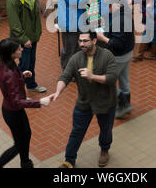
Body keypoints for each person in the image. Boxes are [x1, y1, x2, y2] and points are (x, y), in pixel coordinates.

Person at [48, 32, 117, 168]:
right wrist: (58, 91)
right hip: (85, 101)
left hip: (105, 101)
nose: (81, 44)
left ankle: (104, 150)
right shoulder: (76, 58)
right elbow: (65, 76)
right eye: (80, 41)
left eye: (85, 41)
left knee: (105, 129)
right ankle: (69, 160)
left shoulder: (107, 55)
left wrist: (92, 76)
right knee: (77, 131)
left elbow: (112, 77)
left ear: (94, 41)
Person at [0, 38, 51, 168]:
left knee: (26, 135)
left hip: (10, 109)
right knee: (19, 144)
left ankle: (25, 162)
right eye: (19, 49)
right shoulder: (9, 73)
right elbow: (17, 102)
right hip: (13, 112)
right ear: (11, 53)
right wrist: (40, 102)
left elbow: (9, 84)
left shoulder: (3, 63)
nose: (22, 49)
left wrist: (22, 76)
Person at [6, 0, 47, 94]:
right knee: (23, 65)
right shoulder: (13, 0)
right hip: (22, 40)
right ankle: (15, 89)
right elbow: (14, 24)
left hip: (33, 37)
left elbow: (35, 16)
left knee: (31, 62)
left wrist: (37, 33)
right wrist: (24, 40)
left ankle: (31, 85)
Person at [97, 0, 134, 119]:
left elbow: (117, 43)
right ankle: (126, 104)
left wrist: (102, 37)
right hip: (128, 53)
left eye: (111, 6)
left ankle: (122, 102)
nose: (109, 9)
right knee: (124, 79)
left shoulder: (120, 20)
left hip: (119, 56)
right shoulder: (127, 14)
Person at [57, 0, 89, 69]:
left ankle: (75, 68)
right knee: (69, 49)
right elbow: (77, 1)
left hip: (76, 21)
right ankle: (66, 71)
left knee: (76, 47)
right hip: (69, 23)